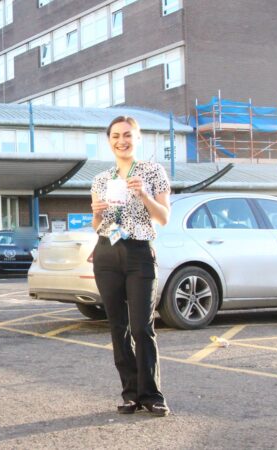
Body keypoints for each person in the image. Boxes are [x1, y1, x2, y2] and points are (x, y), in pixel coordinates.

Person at [90, 116, 171, 417]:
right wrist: (96, 214)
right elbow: (98, 225)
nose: (121, 141)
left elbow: (163, 218)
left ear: (138, 138)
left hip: (139, 253)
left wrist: (144, 195)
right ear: (108, 140)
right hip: (107, 253)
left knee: (141, 326)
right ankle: (130, 393)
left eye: (127, 135)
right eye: (115, 136)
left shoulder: (153, 172)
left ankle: (151, 394)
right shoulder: (101, 179)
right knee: (118, 327)